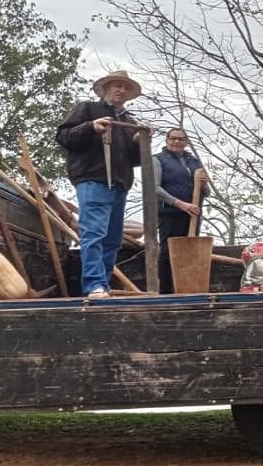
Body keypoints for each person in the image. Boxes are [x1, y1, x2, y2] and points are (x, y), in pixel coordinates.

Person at [55, 70, 143, 299]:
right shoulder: (88, 109)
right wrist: (91, 127)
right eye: (117, 85)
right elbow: (63, 137)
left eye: (125, 88)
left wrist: (139, 142)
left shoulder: (129, 122)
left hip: (120, 184)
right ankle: (93, 284)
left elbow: (134, 160)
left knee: (112, 240)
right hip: (93, 179)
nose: (121, 90)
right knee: (94, 233)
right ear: (105, 89)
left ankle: (102, 285)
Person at [152, 127, 210, 293]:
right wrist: (180, 204)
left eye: (181, 139)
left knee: (190, 252)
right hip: (170, 213)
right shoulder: (158, 160)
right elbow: (154, 188)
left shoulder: (194, 162)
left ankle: (188, 289)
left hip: (193, 215)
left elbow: (206, 192)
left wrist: (204, 184)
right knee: (168, 252)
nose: (176, 141)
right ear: (167, 140)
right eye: (173, 138)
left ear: (186, 142)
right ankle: (166, 292)